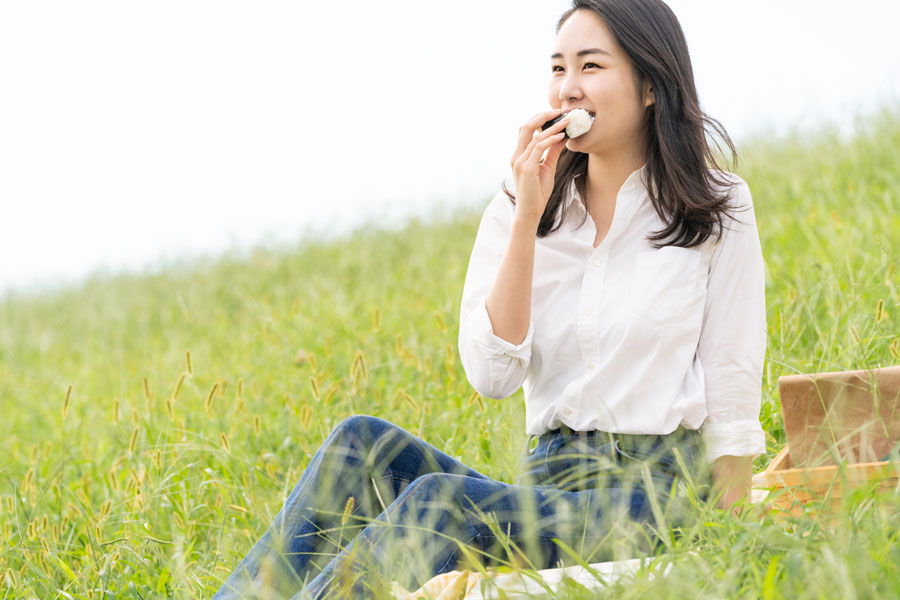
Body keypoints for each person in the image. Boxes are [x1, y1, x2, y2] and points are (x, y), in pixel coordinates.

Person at [212, 0, 766, 598]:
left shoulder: (716, 207)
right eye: (558, 70)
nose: (568, 91)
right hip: (549, 483)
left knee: (434, 504)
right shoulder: (520, 204)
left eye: (591, 67)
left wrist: (727, 540)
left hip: (653, 494)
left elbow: (732, 389)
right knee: (360, 443)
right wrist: (527, 214)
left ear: (652, 86)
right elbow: (492, 375)